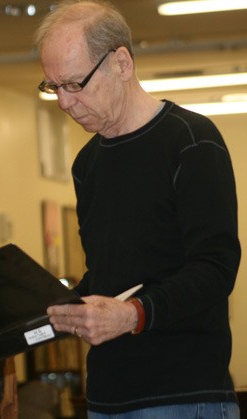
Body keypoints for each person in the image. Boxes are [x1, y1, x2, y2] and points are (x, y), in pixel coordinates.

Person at [36, 1, 241, 417]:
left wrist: (132, 315)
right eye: (52, 86)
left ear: (122, 63)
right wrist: (60, 304)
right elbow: (113, 271)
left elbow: (216, 268)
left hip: (183, 396)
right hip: (106, 397)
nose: (62, 101)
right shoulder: (87, 164)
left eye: (74, 84)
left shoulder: (191, 142)